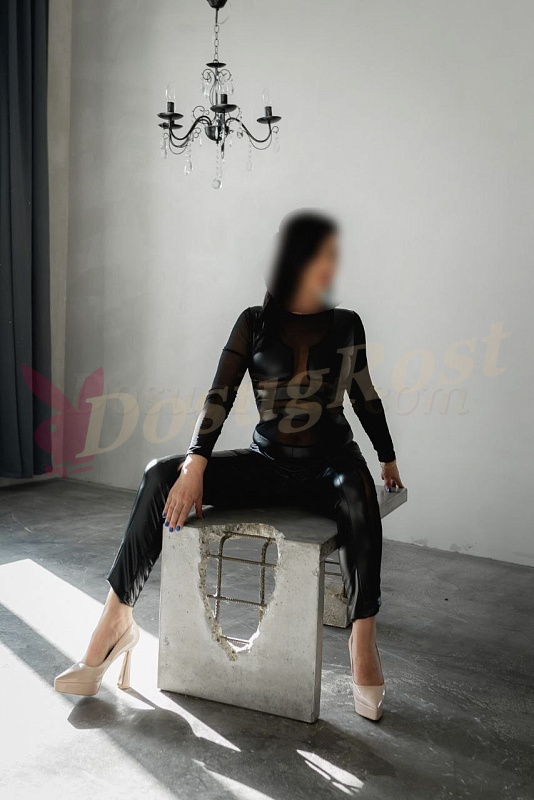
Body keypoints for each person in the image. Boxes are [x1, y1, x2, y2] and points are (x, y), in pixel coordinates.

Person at [55, 209, 404, 721]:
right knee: (159, 474)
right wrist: (195, 462)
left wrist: (386, 456)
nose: (333, 265)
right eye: (324, 254)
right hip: (268, 465)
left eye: (334, 255)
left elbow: (364, 396)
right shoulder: (254, 322)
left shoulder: (346, 324)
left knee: (359, 491)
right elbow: (220, 395)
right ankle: (116, 621)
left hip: (331, 468)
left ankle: (362, 639)